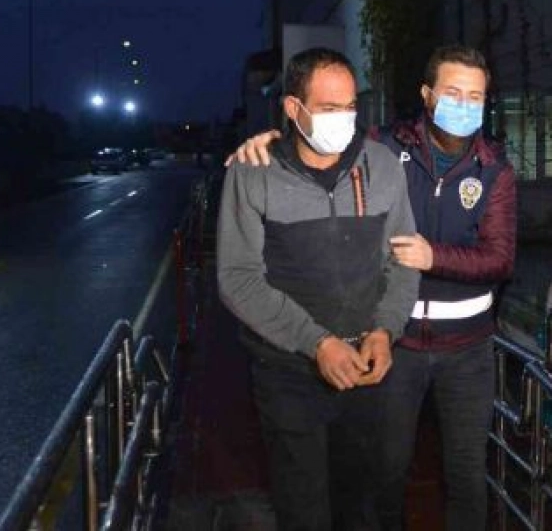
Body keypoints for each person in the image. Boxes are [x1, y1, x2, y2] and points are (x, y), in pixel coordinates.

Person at [231, 44, 517, 530]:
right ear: (427, 95)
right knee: (385, 473)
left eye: (476, 97)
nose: (465, 105)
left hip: (468, 350)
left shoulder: (494, 170)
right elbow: (320, 141)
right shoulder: (385, 148)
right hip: (394, 344)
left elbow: (500, 258)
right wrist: (271, 140)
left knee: (468, 474)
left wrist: (433, 256)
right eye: (453, 93)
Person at [216, 47, 420, 531]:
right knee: (302, 508)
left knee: (363, 506)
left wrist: (385, 331)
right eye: (329, 108)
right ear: (293, 108)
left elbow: (403, 260)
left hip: (366, 369)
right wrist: (316, 342)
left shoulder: (383, 166)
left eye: (350, 107)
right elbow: (237, 278)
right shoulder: (252, 172)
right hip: (288, 373)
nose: (344, 120)